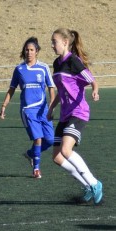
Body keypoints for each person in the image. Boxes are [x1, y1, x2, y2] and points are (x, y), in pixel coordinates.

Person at [47, 28, 103, 204]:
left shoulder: (74, 61)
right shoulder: (57, 63)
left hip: (78, 112)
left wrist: (95, 90)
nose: (52, 45)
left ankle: (94, 183)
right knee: (57, 157)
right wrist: (51, 108)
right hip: (65, 114)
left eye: (54, 41)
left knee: (66, 150)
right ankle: (87, 186)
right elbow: (61, 90)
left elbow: (92, 79)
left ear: (65, 42)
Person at [0, 37, 55, 179]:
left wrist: (52, 106)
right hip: (28, 110)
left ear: (37, 52)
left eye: (31, 50)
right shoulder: (19, 69)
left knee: (50, 140)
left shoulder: (43, 68)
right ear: (24, 51)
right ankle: (36, 169)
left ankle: (30, 154)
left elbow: (51, 88)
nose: (29, 52)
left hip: (43, 109)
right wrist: (4, 105)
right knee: (38, 139)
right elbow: (11, 89)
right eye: (27, 49)